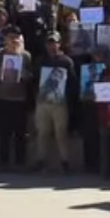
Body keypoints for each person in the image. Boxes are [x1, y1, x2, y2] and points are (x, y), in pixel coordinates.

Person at [0, 26, 33, 171]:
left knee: (20, 134)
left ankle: (20, 163)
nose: (14, 41)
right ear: (5, 40)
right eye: (11, 38)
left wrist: (24, 73)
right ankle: (3, 163)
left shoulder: (25, 56)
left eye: (16, 38)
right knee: (4, 134)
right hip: (3, 98)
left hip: (20, 99)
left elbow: (32, 77)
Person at [33, 32, 77, 173]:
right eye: (49, 43)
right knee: (42, 132)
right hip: (43, 102)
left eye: (54, 43)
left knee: (61, 133)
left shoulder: (66, 62)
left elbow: (73, 83)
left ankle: (65, 161)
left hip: (60, 103)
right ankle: (41, 160)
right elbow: (35, 80)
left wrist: (67, 98)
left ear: (59, 44)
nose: (52, 46)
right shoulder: (40, 61)